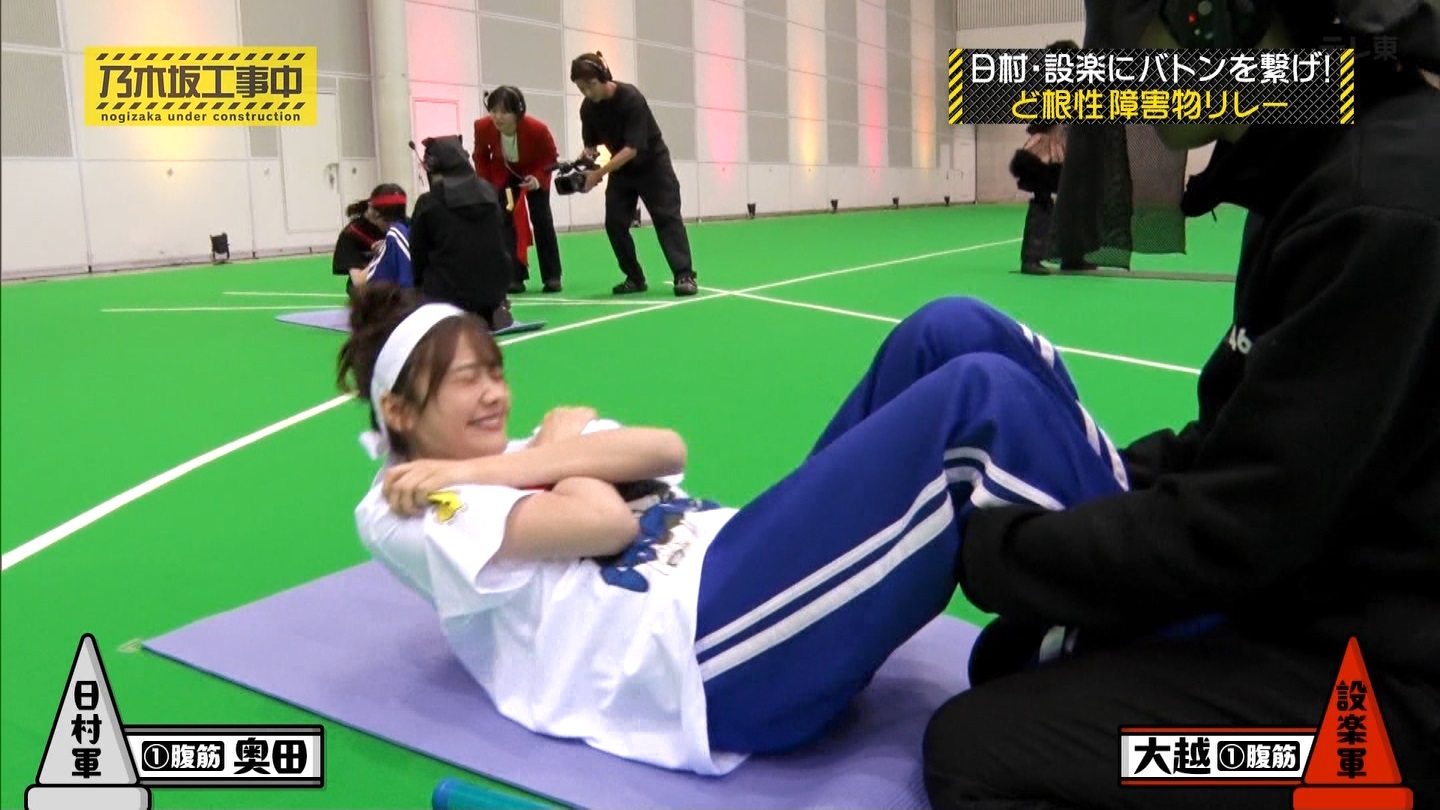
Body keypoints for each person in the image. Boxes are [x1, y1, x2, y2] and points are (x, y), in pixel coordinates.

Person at [922, 1, 1440, 808]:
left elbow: (1240, 530)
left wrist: (989, 551)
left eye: (1148, 35)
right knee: (1013, 654)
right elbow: (1237, 438)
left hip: (1388, 714)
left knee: (979, 753)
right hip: (1307, 604)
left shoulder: (1383, 201)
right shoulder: (1311, 164)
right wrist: (1092, 474)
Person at [337, 280, 1133, 775]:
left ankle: (1140, 531)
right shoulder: (408, 505)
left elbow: (664, 449)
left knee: (949, 328)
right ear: (400, 412)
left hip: (736, 556)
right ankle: (1149, 639)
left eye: (496, 371)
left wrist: (530, 460)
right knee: (976, 400)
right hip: (704, 653)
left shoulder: (504, 459)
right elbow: (601, 522)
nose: (494, 394)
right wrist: (554, 455)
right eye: (466, 381)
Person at [570, 52, 698, 297]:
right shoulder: (588, 108)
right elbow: (591, 146)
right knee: (614, 223)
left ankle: (684, 274)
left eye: (590, 85)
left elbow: (632, 149)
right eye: (581, 88)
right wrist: (585, 162)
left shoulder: (630, 98)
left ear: (604, 76)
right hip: (622, 170)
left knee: (666, 218)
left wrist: (599, 174)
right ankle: (634, 278)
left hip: (653, 166)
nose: (587, 92)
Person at [408, 135, 515, 331]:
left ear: (433, 166)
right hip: (495, 288)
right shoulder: (490, 194)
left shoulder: (428, 203)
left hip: (447, 293)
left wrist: (418, 290)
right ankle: (490, 308)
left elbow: (417, 254)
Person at [1008, 40, 1095, 275]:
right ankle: (1033, 258)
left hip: (1064, 155)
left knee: (1071, 204)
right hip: (1047, 155)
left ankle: (1070, 257)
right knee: (1044, 202)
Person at [473, 85, 565, 295]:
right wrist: (486, 184)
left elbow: (551, 158)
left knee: (541, 219)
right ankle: (514, 276)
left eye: (504, 112)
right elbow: (480, 156)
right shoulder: (482, 127)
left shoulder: (537, 129)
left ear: (518, 112)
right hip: (505, 175)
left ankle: (552, 276)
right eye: (493, 111)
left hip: (534, 174)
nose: (497, 117)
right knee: (506, 221)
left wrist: (537, 179)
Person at [354, 184, 412, 290]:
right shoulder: (409, 231)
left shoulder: (393, 237)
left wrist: (383, 251)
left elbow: (360, 281)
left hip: (408, 298)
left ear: (376, 213)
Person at [332, 197, 385, 296]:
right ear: (370, 206)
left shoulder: (404, 226)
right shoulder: (351, 233)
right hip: (367, 291)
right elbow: (358, 281)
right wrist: (386, 251)